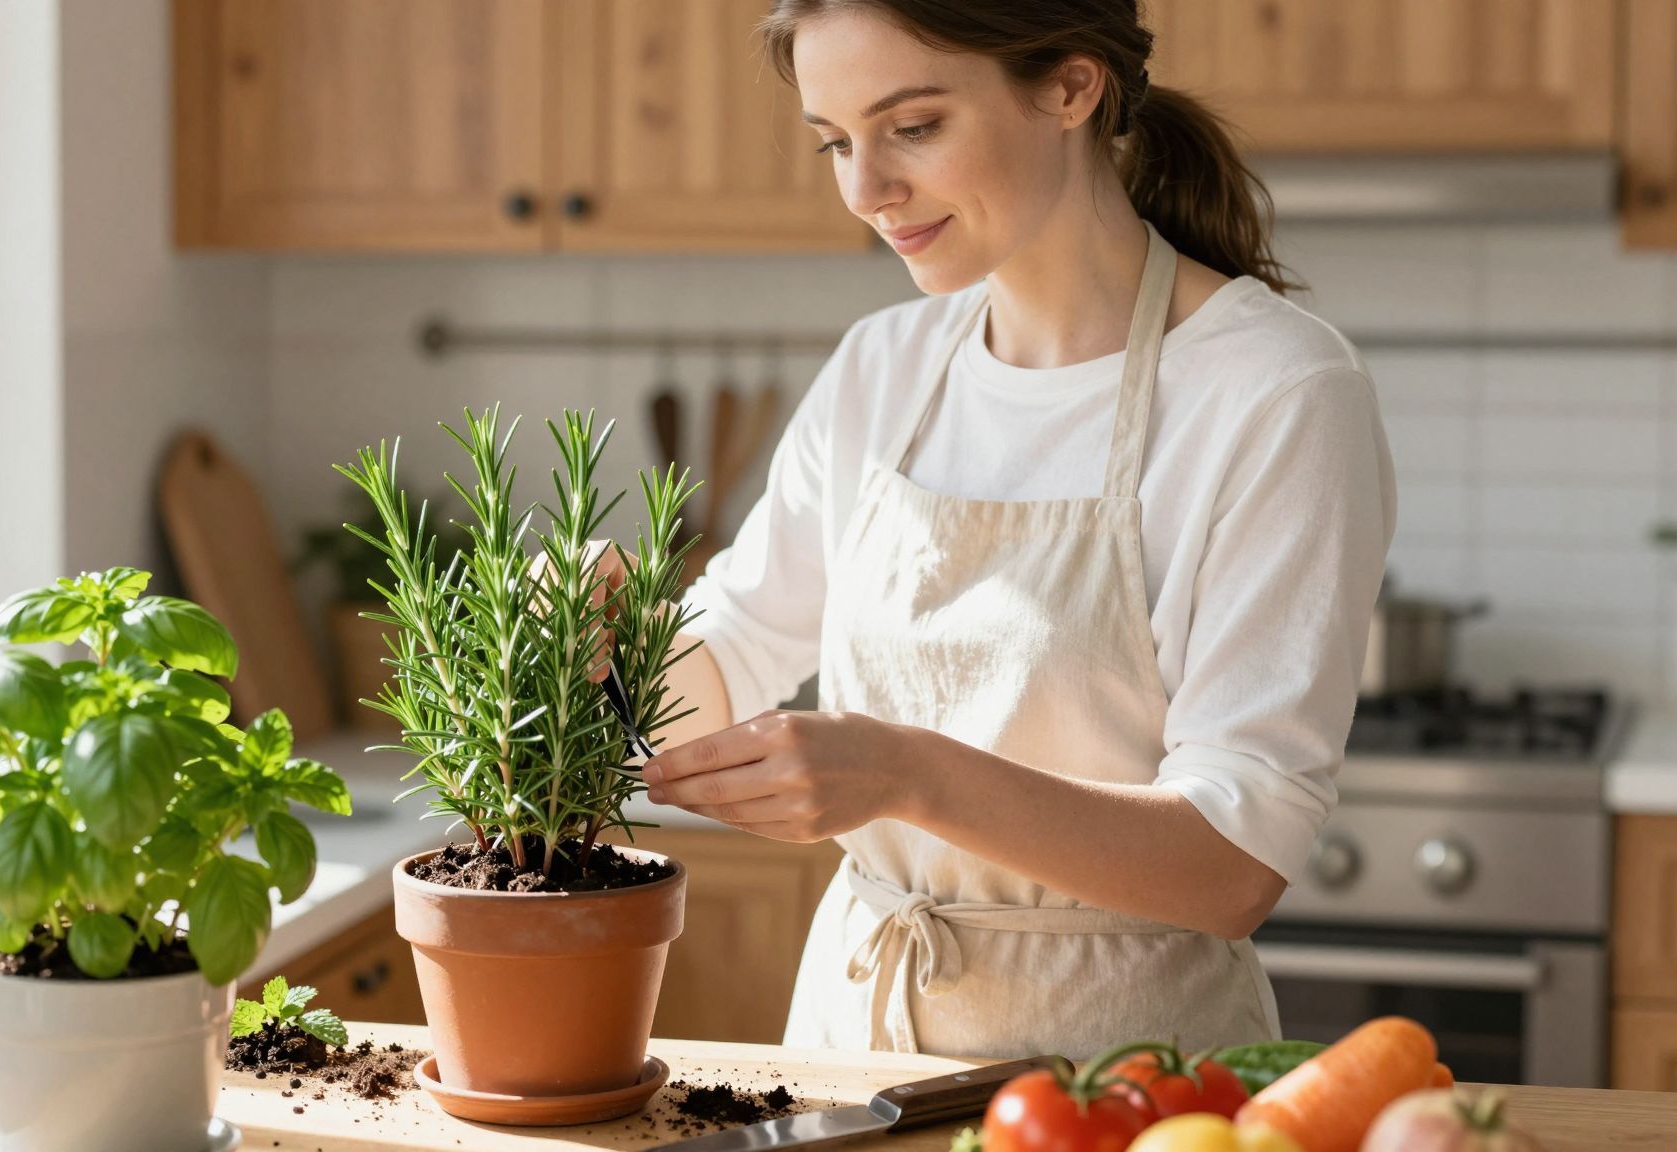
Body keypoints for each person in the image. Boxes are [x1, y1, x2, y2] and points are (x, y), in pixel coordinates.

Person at [597, 0, 1395, 1060]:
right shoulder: (883, 367)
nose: (865, 191)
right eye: (835, 141)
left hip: (1125, 1080)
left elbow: (1232, 866)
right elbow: (733, 655)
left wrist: (905, 774)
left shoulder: (1274, 391)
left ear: (1070, 88)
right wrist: (604, 637)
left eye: (912, 127)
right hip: (853, 1055)